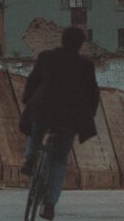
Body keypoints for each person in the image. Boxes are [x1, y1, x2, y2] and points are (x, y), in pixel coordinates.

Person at [18, 26, 99, 220]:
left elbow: (33, 82)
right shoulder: (85, 65)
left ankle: (30, 159)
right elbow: (92, 94)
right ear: (80, 45)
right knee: (60, 161)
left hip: (43, 110)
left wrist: (28, 99)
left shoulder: (47, 57)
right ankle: (50, 206)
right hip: (68, 119)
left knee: (35, 133)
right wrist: (88, 115)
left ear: (62, 40)